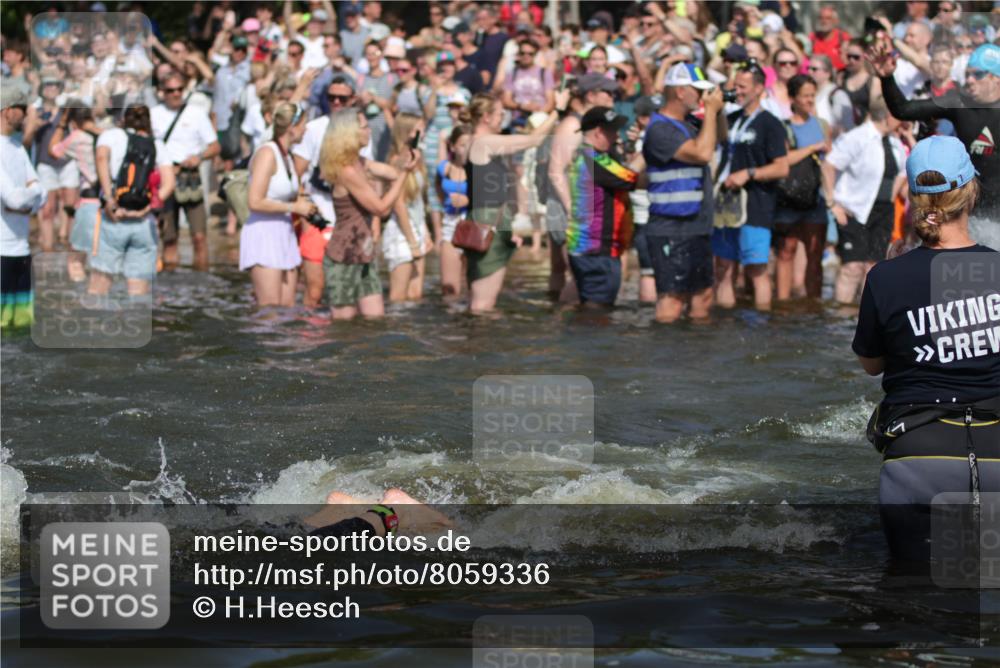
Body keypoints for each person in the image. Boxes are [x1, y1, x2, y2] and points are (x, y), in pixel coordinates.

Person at [852, 135, 999, 561]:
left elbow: (871, 364)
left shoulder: (885, 276)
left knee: (912, 599)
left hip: (917, 456)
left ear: (915, 198)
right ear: (970, 192)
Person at [463, 90, 568, 313]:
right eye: (501, 115)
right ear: (486, 118)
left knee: (481, 298)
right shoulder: (484, 143)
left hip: (491, 220)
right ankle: (476, 343)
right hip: (488, 222)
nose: (504, 119)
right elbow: (534, 140)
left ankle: (476, 340)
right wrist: (557, 110)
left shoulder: (482, 143)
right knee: (483, 304)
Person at [871, 41, 1000, 217]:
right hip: (972, 213)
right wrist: (887, 78)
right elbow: (903, 110)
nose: (969, 80)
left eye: (977, 74)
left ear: (996, 78)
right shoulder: (959, 103)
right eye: (967, 74)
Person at [643, 64, 724, 323]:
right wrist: (710, 110)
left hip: (696, 225)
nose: (701, 97)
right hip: (670, 227)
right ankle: (665, 358)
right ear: (680, 91)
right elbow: (702, 154)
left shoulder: (689, 124)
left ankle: (697, 358)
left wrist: (717, 112)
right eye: (696, 91)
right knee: (672, 301)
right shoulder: (660, 129)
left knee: (703, 297)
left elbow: (718, 137)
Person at [318, 109, 415, 320]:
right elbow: (381, 209)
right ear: (350, 133)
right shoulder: (347, 171)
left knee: (375, 320)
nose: (369, 130)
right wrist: (405, 174)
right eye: (364, 127)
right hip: (343, 258)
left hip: (364, 255)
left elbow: (391, 172)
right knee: (344, 327)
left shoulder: (359, 162)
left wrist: (405, 157)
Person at [713, 64, 790, 311]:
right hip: (726, 203)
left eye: (742, 87)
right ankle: (725, 325)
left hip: (756, 204)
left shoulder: (771, 124)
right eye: (734, 86)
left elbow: (782, 167)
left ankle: (762, 324)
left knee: (756, 269)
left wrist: (750, 173)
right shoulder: (732, 119)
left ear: (759, 89)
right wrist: (717, 108)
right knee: (723, 267)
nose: (737, 91)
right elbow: (719, 141)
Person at [822, 99, 906, 305]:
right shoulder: (857, 137)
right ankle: (840, 318)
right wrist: (832, 202)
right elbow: (828, 165)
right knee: (852, 267)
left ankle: (864, 318)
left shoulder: (895, 142)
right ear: (888, 116)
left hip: (883, 210)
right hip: (854, 210)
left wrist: (890, 195)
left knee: (874, 269)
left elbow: (902, 172)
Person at [547, 73, 618, 300]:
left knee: (579, 273)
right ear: (591, 95)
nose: (612, 96)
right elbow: (555, 170)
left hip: (586, 208)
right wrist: (572, 209)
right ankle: (562, 320)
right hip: (569, 205)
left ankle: (572, 318)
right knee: (572, 272)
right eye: (607, 92)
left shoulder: (595, 125)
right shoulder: (573, 125)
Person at [292, 73, 360, 308]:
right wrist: (306, 213)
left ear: (353, 99)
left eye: (342, 98)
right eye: (331, 98)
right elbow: (296, 174)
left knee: (347, 293)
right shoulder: (313, 129)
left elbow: (369, 177)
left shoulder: (360, 130)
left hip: (350, 222)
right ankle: (308, 339)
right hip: (318, 218)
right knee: (315, 290)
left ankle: (340, 339)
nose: (337, 103)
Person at [93, 105, 175, 298]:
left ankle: (96, 323)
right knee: (138, 294)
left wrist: (109, 199)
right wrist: (147, 208)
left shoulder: (110, 135)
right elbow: (169, 184)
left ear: (123, 119)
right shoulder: (157, 144)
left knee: (99, 287)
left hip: (114, 218)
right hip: (144, 223)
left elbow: (101, 158)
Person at [565, 107, 640, 308]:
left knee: (592, 309)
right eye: (613, 131)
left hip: (588, 249)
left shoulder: (588, 156)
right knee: (597, 314)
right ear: (598, 132)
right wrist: (651, 148)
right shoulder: (594, 160)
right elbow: (632, 179)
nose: (617, 137)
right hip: (596, 251)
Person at [241, 102, 314, 308]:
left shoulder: (287, 155)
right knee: (269, 308)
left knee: (287, 307)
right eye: (302, 125)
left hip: (284, 232)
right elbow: (254, 201)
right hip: (264, 233)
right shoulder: (267, 153)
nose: (306, 129)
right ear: (291, 127)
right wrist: (294, 208)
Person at [151, 70, 220, 271]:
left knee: (199, 236)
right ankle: (171, 282)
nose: (175, 94)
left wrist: (197, 158)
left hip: (190, 177)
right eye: (171, 90)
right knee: (169, 237)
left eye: (179, 89)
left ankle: (201, 278)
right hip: (165, 179)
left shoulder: (196, 113)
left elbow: (215, 146)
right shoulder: (154, 115)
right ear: (162, 91)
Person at [772, 74, 830, 302]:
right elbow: (783, 159)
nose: (810, 100)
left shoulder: (822, 125)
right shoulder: (783, 127)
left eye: (812, 96)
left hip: (815, 197)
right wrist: (813, 148)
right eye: (805, 96)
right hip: (788, 197)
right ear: (793, 98)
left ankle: (813, 304)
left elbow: (829, 162)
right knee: (786, 251)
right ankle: (784, 304)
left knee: (815, 254)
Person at [1, 84, 43, 329]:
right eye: (21, 108)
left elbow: (42, 196)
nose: (26, 114)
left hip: (22, 250)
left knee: (23, 327)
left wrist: (30, 195)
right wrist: (32, 192)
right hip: (1, 252)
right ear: (7, 111)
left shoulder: (17, 147)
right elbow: (14, 199)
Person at [22, 77, 76, 252]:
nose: (51, 88)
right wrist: (34, 126)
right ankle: (48, 246)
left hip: (67, 162)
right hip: (45, 163)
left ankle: (68, 242)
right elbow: (26, 142)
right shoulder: (34, 110)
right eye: (47, 84)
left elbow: (76, 135)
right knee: (47, 208)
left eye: (54, 84)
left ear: (59, 88)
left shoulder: (66, 108)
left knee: (70, 205)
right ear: (41, 88)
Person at [48, 105, 102, 283]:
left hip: (90, 202)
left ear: (73, 122)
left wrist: (61, 124)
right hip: (111, 204)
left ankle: (80, 300)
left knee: (75, 259)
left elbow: (54, 150)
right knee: (101, 258)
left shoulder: (78, 137)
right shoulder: (110, 134)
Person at [382, 113, 430, 302]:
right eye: (420, 128)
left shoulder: (417, 157)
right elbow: (399, 204)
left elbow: (418, 202)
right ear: (408, 132)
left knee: (416, 295)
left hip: (417, 228)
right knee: (398, 298)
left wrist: (424, 233)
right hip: (401, 234)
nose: (423, 132)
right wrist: (412, 242)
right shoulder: (397, 160)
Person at [436, 124, 471, 298]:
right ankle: (451, 321)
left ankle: (468, 323)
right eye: (463, 145)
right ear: (453, 146)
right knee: (449, 289)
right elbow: (437, 188)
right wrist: (445, 204)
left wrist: (469, 200)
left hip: (472, 225)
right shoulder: (444, 168)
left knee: (471, 288)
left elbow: (496, 198)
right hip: (450, 224)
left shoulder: (479, 169)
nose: (467, 150)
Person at [809, 5, 851, 72]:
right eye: (821, 18)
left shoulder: (843, 38)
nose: (824, 21)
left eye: (828, 18)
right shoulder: (812, 37)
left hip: (840, 75)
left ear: (836, 21)